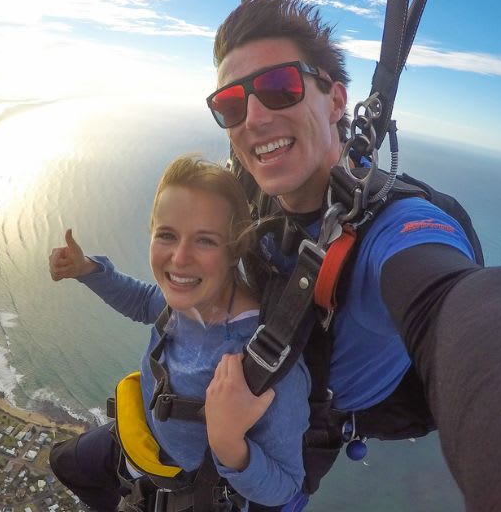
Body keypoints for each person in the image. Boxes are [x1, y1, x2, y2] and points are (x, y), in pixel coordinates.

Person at [56, 0, 501, 512]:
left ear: (336, 98)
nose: (252, 118)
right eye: (230, 104)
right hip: (193, 414)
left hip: (268, 448)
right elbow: (161, 295)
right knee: (71, 465)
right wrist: (92, 271)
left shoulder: (393, 230)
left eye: (279, 87)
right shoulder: (255, 191)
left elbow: (465, 309)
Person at [48, 154, 311, 510]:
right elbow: (144, 302)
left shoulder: (263, 363)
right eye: (167, 235)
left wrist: (229, 442)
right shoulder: (189, 301)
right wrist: (89, 270)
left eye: (204, 240)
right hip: (137, 441)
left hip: (178, 488)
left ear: (235, 249)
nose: (180, 257)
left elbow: (286, 487)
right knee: (64, 461)